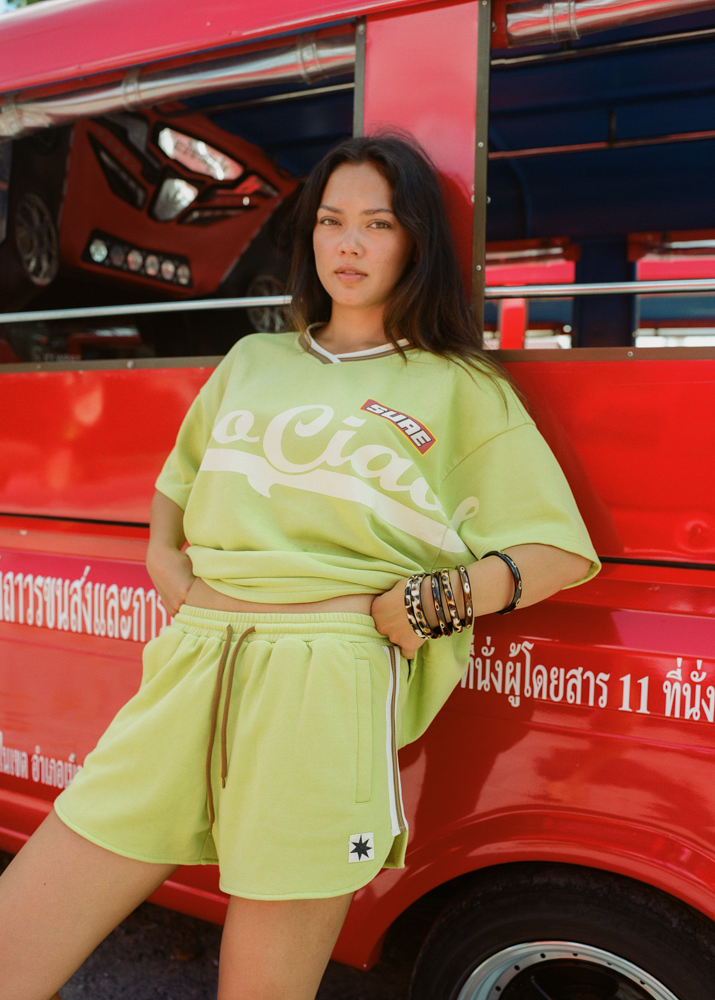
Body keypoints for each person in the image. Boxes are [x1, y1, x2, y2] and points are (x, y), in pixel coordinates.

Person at [0, 133, 599, 1000]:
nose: (347, 245)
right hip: (196, 659)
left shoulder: (459, 388)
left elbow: (557, 549)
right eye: (330, 221)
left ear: (415, 242)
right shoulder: (254, 360)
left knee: (263, 985)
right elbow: (176, 490)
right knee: (23, 931)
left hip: (328, 681)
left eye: (376, 224)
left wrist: (439, 601)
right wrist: (173, 573)